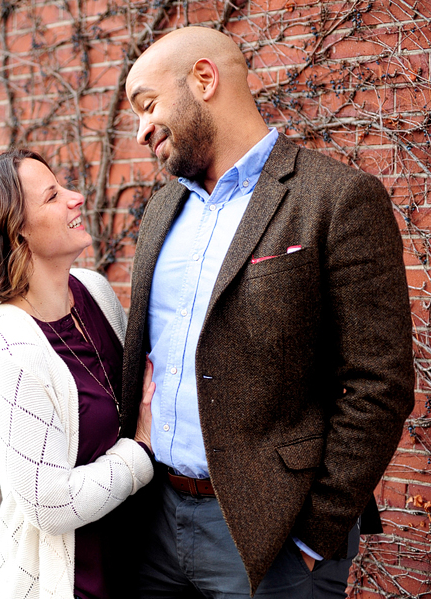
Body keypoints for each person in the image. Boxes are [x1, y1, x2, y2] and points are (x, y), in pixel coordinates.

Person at [120, 26, 414, 598]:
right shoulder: (161, 210)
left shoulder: (336, 198)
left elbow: (380, 382)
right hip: (155, 524)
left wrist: (312, 536)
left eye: (148, 105)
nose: (141, 131)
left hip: (270, 541)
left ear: (204, 79)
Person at [0, 149, 156, 599]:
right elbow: (50, 503)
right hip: (73, 585)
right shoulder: (9, 349)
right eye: (54, 195)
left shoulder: (95, 292)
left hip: (142, 570)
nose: (76, 199)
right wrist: (139, 450)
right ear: (15, 231)